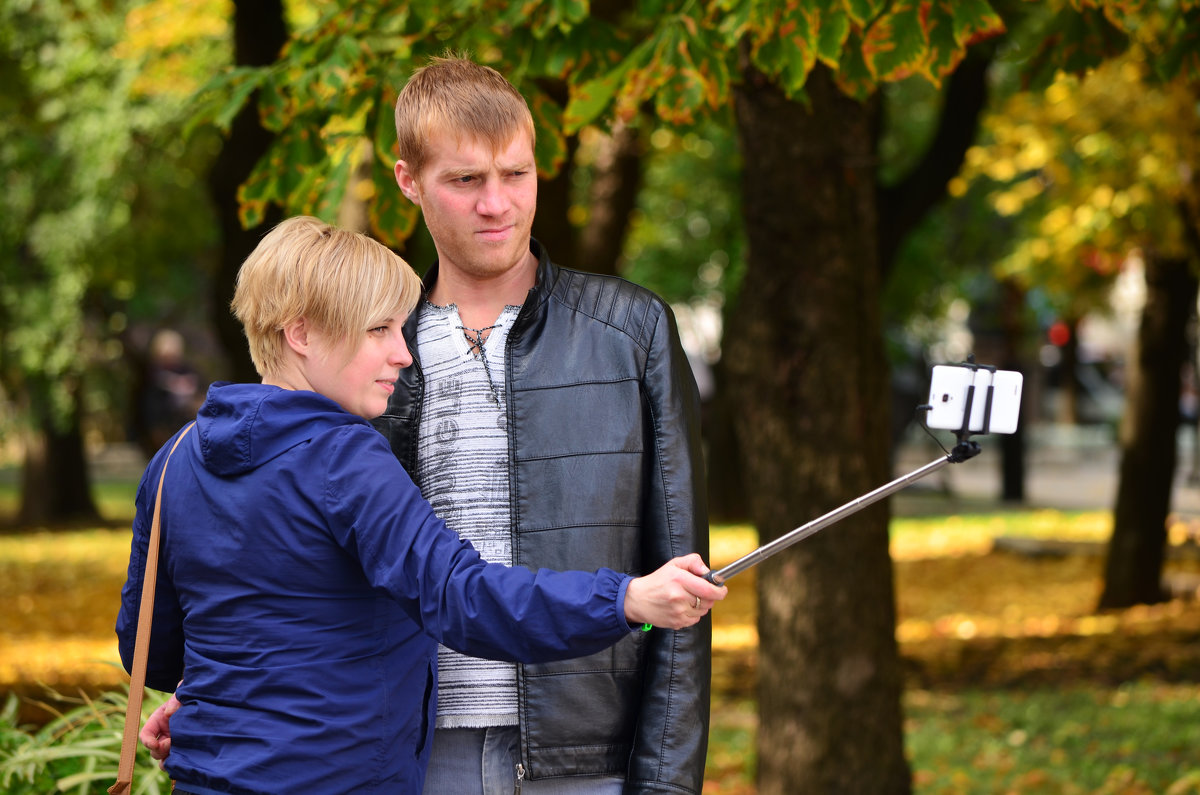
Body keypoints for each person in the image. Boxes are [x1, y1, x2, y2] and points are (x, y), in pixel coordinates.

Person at [116, 215, 725, 795]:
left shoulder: (173, 461)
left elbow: (151, 648)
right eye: (378, 330)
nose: (403, 354)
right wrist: (624, 599)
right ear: (300, 333)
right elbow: (461, 597)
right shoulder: (342, 457)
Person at [377, 55, 713, 794]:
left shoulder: (632, 330)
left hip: (589, 760)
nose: (496, 203)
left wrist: (662, 785)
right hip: (407, 752)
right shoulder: (374, 347)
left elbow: (684, 587)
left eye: (516, 175)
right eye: (465, 180)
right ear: (408, 181)